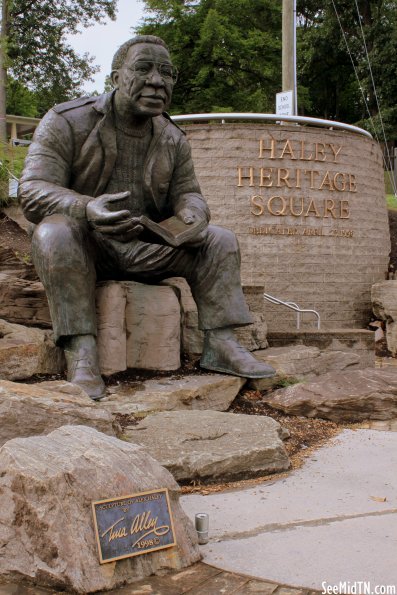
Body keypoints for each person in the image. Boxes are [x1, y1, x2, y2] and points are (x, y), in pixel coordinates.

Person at [19, 35, 275, 400]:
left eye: (167, 73)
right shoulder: (66, 121)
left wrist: (192, 214)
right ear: (115, 77)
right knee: (54, 233)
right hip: (87, 247)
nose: (157, 81)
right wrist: (86, 209)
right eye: (143, 69)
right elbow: (32, 190)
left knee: (220, 239)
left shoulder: (172, 137)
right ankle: (82, 352)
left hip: (146, 247)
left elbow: (190, 194)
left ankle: (221, 344)